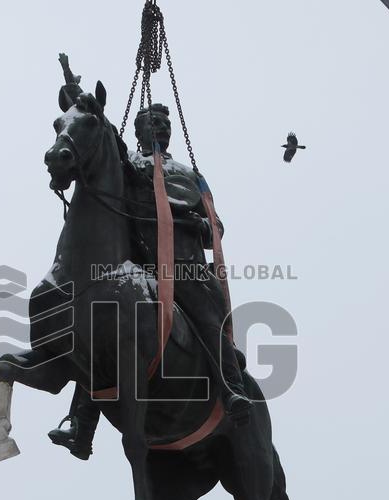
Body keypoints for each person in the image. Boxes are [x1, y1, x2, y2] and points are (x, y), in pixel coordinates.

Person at [48, 103, 251, 457]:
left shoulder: (187, 173)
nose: (160, 128)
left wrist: (201, 225)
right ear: (139, 132)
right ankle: (82, 426)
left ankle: (231, 389)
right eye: (152, 123)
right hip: (139, 267)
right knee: (99, 335)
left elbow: (215, 226)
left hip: (184, 268)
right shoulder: (131, 167)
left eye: (164, 123)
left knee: (208, 318)